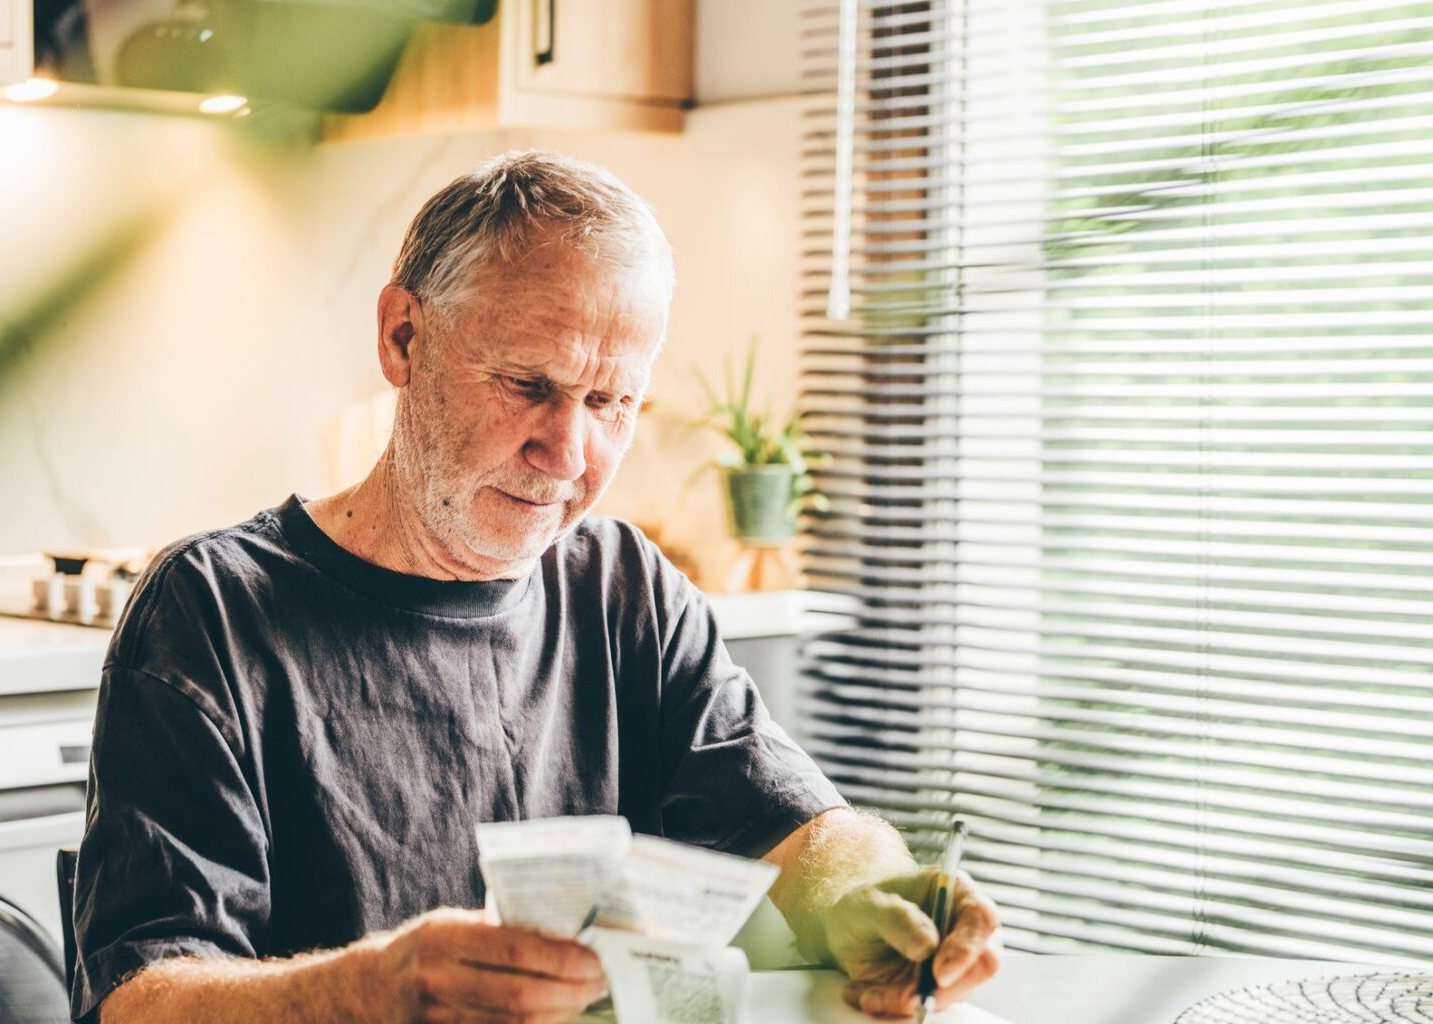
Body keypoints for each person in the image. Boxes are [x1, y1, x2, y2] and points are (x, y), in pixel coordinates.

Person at [71, 149, 1001, 1024]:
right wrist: (374, 990)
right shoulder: (211, 612)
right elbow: (138, 997)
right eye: (526, 385)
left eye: (609, 403)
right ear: (403, 336)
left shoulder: (625, 587)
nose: (567, 453)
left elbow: (799, 830)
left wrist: (875, 894)